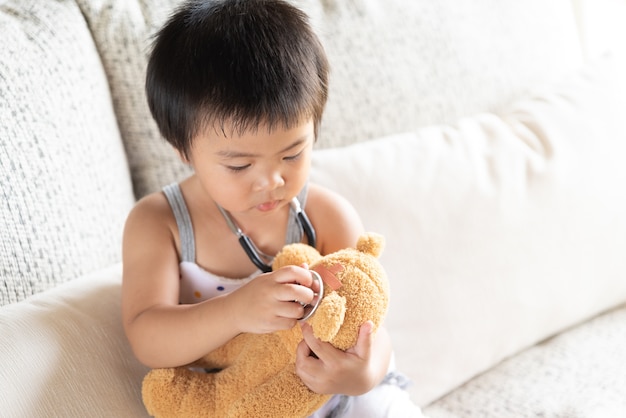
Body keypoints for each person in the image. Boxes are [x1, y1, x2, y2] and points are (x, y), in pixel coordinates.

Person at [122, 0, 422, 416]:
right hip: (247, 400)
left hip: (336, 394)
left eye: (293, 154)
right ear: (183, 149)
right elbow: (147, 338)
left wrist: (362, 374)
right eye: (239, 165)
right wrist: (236, 311)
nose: (272, 182)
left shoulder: (324, 216)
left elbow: (371, 322)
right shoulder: (161, 223)